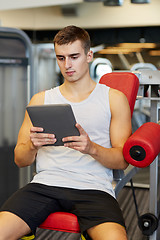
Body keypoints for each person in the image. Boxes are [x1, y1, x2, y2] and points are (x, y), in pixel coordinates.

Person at [0, 25, 131, 240]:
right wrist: (33, 146)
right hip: (45, 185)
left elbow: (122, 161)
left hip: (93, 188)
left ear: (89, 55)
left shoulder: (113, 99)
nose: (67, 65)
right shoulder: (40, 100)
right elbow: (20, 160)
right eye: (61, 58)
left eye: (74, 56)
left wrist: (91, 148)